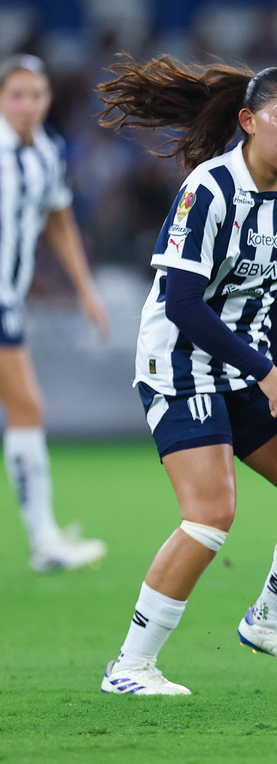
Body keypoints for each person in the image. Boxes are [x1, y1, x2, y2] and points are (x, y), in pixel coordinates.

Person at [94, 54, 277, 695]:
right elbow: (180, 302)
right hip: (180, 364)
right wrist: (266, 369)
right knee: (210, 515)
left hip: (249, 366)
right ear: (248, 121)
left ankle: (270, 619)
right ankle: (129, 667)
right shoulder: (209, 189)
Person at [0, 54, 110, 573]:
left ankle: (45, 540)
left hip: (8, 302)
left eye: (35, 95)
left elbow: (58, 218)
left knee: (27, 412)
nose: (26, 105)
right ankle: (44, 541)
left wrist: (85, 289)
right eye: (16, 95)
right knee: (28, 411)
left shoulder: (44, 152)